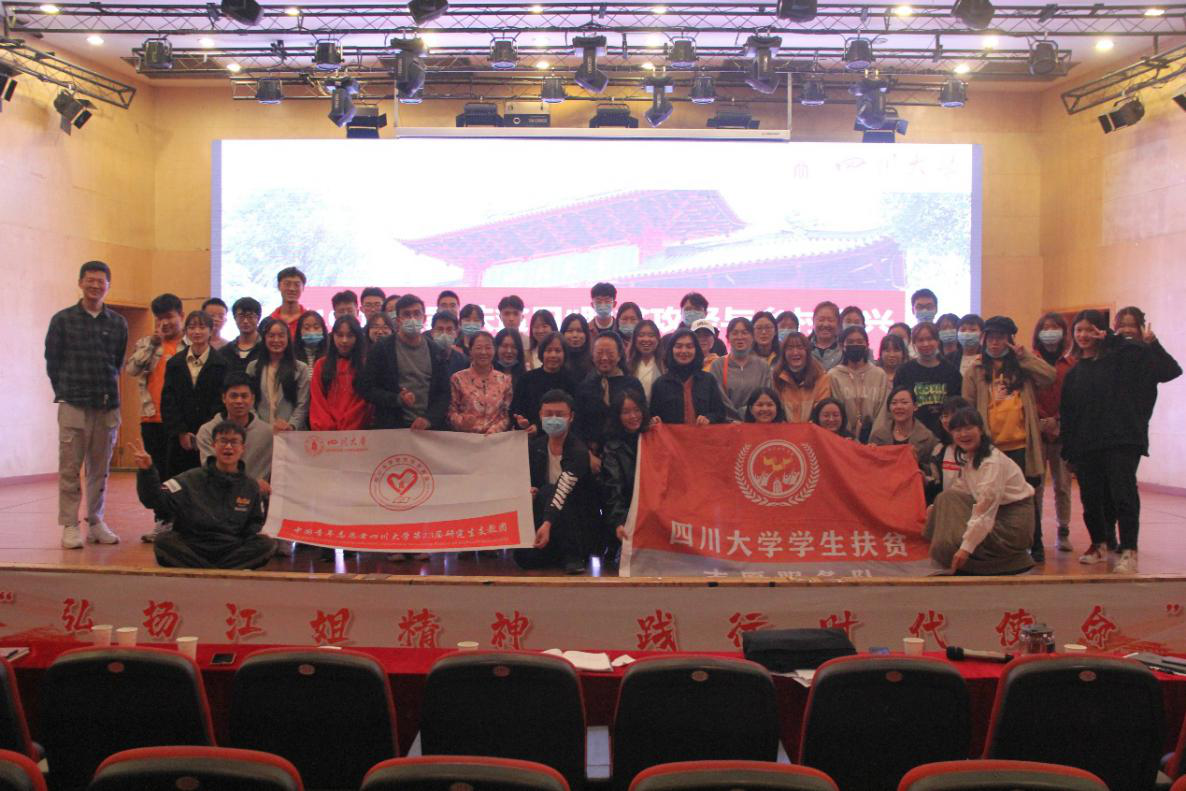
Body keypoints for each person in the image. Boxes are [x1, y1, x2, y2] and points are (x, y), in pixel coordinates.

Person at [1060, 309, 1181, 573]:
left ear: (1103, 331)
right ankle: (1098, 544)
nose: (1084, 335)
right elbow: (1068, 413)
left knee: (1122, 495)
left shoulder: (1120, 361)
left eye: (1090, 329)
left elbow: (1164, 367)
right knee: (1091, 498)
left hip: (1121, 440)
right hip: (1087, 444)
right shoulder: (1074, 372)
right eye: (1079, 330)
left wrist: (1114, 339)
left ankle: (1129, 550)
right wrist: (1068, 449)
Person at [45, 260, 128, 548]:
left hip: (107, 406)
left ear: (108, 285)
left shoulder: (118, 323)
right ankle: (70, 525)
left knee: (100, 469)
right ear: (80, 283)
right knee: (70, 468)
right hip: (73, 404)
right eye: (90, 280)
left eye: (100, 281)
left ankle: (95, 522)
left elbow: (117, 362)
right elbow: (52, 362)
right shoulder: (62, 320)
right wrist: (67, 391)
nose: (95, 285)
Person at [962, 315, 1055, 562]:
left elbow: (1049, 376)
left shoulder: (1022, 365)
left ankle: (1036, 544)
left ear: (1010, 340)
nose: (995, 343)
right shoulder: (976, 369)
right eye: (991, 338)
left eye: (1001, 338)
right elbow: (967, 406)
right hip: (990, 448)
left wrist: (1025, 357)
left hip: (1021, 445)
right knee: (990, 498)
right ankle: (995, 546)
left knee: (1027, 497)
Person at [130, 422, 276, 570]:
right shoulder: (189, 479)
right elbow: (154, 500)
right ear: (214, 445)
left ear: (242, 448)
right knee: (163, 541)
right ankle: (223, 572)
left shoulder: (251, 486)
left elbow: (254, 525)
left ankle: (204, 571)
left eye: (234, 442)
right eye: (223, 441)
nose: (228, 446)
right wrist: (147, 472)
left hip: (231, 549)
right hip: (194, 547)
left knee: (267, 544)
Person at [924, 407, 1035, 576]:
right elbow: (960, 489)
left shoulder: (992, 462)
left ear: (981, 430)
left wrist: (966, 548)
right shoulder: (969, 457)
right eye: (958, 430)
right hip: (991, 514)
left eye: (969, 428)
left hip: (1011, 527)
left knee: (953, 532)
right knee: (945, 498)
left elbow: (986, 510)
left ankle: (954, 555)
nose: (963, 434)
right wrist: (935, 509)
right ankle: (943, 550)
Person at [125, 293, 187, 542]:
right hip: (152, 419)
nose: (165, 323)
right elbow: (131, 369)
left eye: (170, 317)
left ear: (181, 315)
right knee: (157, 472)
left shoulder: (190, 344)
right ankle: (162, 520)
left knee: (179, 472)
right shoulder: (147, 343)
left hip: (180, 421)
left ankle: (183, 522)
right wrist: (153, 343)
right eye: (159, 318)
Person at [515, 390, 597, 575]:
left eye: (559, 414)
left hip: (575, 519)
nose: (553, 419)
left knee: (550, 490)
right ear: (540, 415)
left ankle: (573, 555)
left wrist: (547, 524)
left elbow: (563, 488)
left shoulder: (579, 451)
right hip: (545, 515)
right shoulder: (536, 447)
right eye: (548, 414)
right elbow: (531, 481)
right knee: (524, 559)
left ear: (571, 417)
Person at [361, 294, 450, 430]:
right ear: (398, 320)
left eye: (417, 313)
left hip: (428, 429)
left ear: (424, 318)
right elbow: (367, 389)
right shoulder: (382, 348)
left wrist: (429, 419)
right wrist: (396, 399)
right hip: (392, 428)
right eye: (407, 314)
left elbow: (444, 393)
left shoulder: (436, 351)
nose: (412, 318)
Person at [162, 310, 230, 477]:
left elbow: (221, 401)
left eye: (202, 327)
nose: (197, 332)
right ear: (186, 331)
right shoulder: (175, 363)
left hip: (211, 434)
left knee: (209, 478)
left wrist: (205, 431)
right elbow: (168, 400)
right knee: (179, 481)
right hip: (180, 437)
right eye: (192, 327)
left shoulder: (222, 363)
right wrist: (181, 431)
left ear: (211, 330)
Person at [1032, 312, 1075, 553]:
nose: (1049, 332)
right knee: (1036, 485)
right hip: (1037, 431)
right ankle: (1035, 533)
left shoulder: (1070, 364)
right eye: (1045, 327)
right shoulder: (1031, 361)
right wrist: (1041, 419)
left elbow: (1074, 397)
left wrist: (1057, 420)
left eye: (1054, 327)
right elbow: (1027, 394)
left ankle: (1063, 530)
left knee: (1063, 485)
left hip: (1062, 431)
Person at [195, 373, 274, 489]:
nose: (239, 401)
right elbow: (212, 472)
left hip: (258, 496)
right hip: (219, 493)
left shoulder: (268, 433)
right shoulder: (207, 431)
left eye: (244, 396)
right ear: (224, 398)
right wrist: (250, 485)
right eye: (234, 396)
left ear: (252, 399)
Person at [893, 322, 963, 437]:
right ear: (913, 343)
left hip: (946, 433)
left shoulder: (951, 371)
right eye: (920, 340)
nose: (925, 344)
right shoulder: (904, 371)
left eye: (930, 339)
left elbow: (958, 405)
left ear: (937, 341)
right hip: (913, 434)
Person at [574, 332, 643, 450]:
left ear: (619, 355)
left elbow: (642, 417)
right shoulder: (585, 387)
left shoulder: (633, 384)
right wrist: (588, 454)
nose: (604, 358)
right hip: (594, 453)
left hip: (629, 450)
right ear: (592, 356)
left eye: (610, 353)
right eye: (599, 353)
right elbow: (578, 425)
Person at [602, 389, 648, 563]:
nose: (633, 416)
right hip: (628, 513)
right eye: (626, 412)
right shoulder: (612, 449)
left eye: (636, 410)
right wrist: (618, 522)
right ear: (617, 416)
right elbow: (613, 489)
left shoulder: (653, 437)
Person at [650, 328, 727, 425]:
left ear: (696, 350)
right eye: (679, 346)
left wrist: (709, 418)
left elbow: (720, 413)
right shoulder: (660, 384)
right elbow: (653, 414)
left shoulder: (708, 380)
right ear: (671, 350)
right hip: (671, 435)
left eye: (689, 346)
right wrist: (654, 420)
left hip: (703, 434)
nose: (684, 351)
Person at [246, 317, 311, 432]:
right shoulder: (253, 367)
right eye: (271, 336)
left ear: (288, 338)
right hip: (259, 431)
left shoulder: (301, 369)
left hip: (291, 432)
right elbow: (249, 401)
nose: (276, 340)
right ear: (264, 338)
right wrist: (259, 426)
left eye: (281, 336)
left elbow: (303, 404)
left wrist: (291, 425)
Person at [310, 316, 371, 431]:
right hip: (327, 432)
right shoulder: (321, 365)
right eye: (339, 335)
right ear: (332, 336)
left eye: (350, 336)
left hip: (358, 430)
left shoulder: (366, 365)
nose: (344, 340)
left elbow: (365, 402)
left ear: (357, 337)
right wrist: (327, 425)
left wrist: (348, 424)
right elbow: (317, 400)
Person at [829, 325, 889, 442]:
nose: (855, 345)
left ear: (867, 345)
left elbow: (882, 412)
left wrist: (875, 438)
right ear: (842, 346)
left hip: (874, 439)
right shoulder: (834, 375)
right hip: (843, 438)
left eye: (860, 341)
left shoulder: (879, 374)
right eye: (850, 342)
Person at [709, 317, 773, 422]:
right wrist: (734, 418)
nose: (740, 337)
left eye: (744, 333)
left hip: (756, 423)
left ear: (752, 337)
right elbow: (718, 398)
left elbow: (766, 395)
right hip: (726, 424)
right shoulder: (718, 365)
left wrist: (749, 414)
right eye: (735, 333)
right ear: (728, 337)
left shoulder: (763, 366)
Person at [448, 331, 513, 434]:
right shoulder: (458, 379)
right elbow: (451, 411)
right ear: (470, 351)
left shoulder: (504, 380)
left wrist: (496, 429)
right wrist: (462, 423)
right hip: (465, 438)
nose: (483, 352)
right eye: (478, 348)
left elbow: (507, 413)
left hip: (495, 438)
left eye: (488, 348)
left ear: (494, 350)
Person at [511, 332, 575, 432]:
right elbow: (515, 409)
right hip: (529, 435)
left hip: (562, 435)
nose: (553, 355)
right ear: (541, 353)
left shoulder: (572, 381)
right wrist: (521, 422)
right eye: (548, 350)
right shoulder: (526, 379)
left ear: (564, 354)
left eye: (557, 351)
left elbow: (574, 414)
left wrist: (538, 428)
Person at [869, 386, 938, 468]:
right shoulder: (878, 436)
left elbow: (933, 470)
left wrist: (917, 463)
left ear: (915, 406)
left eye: (904, 402)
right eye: (894, 403)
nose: (899, 407)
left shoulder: (928, 438)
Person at [772, 331, 830, 424]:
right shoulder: (776, 378)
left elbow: (821, 411)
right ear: (783, 353)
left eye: (800, 347)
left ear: (807, 351)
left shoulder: (821, 378)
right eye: (790, 348)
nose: (795, 352)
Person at [923, 395, 973, 504]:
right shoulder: (939, 450)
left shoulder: (975, 448)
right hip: (947, 506)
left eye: (954, 414)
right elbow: (936, 483)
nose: (949, 420)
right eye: (945, 415)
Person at [221, 297, 263, 375]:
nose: (245, 321)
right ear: (235, 318)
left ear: (258, 318)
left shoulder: (266, 349)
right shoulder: (225, 351)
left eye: (250, 316)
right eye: (241, 316)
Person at [626, 319, 663, 401]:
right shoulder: (627, 365)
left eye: (651, 335)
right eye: (641, 335)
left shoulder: (665, 365)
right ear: (635, 339)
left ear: (658, 339)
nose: (646, 339)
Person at [270, 266, 307, 339]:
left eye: (297, 285)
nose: (292, 289)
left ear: (303, 288)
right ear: (279, 286)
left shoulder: (311, 321)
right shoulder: (269, 321)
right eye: (287, 284)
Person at [430, 310, 469, 376]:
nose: (444, 334)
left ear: (456, 333)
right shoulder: (425, 357)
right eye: (440, 329)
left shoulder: (463, 361)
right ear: (432, 332)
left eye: (449, 329)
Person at [560, 313, 593, 382]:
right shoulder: (558, 360)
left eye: (579, 331)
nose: (575, 335)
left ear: (586, 334)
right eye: (570, 331)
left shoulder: (594, 361)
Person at [809, 301, 842, 370]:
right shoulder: (804, 348)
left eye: (830, 320)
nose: (825, 324)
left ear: (838, 323)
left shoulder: (844, 349)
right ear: (813, 321)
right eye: (821, 320)